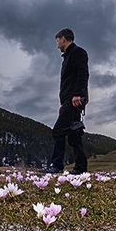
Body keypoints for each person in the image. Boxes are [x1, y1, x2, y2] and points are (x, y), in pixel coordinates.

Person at [44, 28, 89, 174]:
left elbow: (83, 74)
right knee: (74, 134)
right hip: (69, 100)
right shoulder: (68, 56)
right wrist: (63, 104)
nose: (57, 45)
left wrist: (77, 94)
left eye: (58, 41)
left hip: (74, 99)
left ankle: (57, 165)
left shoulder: (78, 52)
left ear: (63, 39)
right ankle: (81, 168)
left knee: (58, 131)